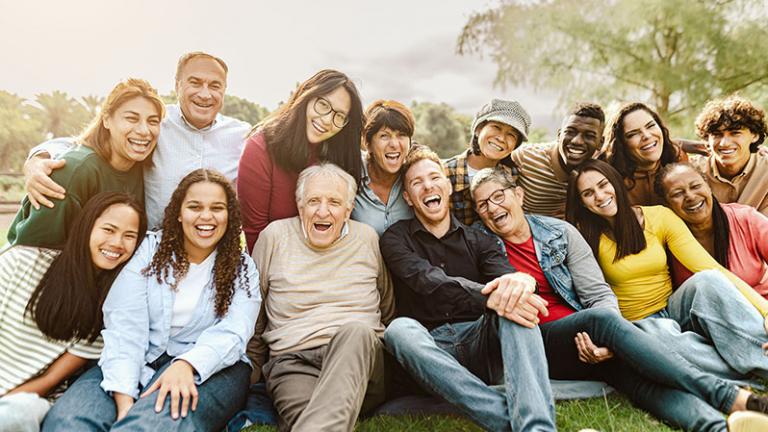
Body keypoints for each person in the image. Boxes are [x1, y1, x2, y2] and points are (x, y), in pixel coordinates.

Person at [471, 165, 768, 431]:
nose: (492, 207)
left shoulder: (560, 233)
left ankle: (718, 427)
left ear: (518, 195)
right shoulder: (480, 245)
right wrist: (606, 331)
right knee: (603, 321)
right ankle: (729, 395)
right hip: (538, 342)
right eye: (482, 204)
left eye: (498, 196)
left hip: (589, 337)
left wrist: (604, 343)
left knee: (640, 383)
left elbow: (597, 293)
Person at [42, 169, 261, 431]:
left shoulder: (242, 268)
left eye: (217, 208)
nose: (206, 216)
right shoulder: (148, 251)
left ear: (229, 215)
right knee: (68, 422)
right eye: (195, 206)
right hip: (137, 356)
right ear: (179, 213)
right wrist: (123, 400)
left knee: (151, 425)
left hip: (212, 367)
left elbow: (235, 332)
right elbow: (125, 324)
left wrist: (186, 364)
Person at [381, 146, 557, 431]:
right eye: (417, 183)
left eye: (434, 178)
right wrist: (489, 298)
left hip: (479, 343)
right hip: (430, 351)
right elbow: (426, 280)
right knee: (398, 330)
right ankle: (506, 416)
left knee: (514, 305)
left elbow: (507, 279)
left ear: (448, 187)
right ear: (408, 199)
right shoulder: (394, 238)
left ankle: (537, 427)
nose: (428, 186)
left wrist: (522, 283)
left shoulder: (481, 240)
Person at [566, 159, 768, 380]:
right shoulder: (582, 236)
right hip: (638, 324)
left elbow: (710, 267)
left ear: (615, 182)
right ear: (582, 203)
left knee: (708, 279)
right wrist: (614, 340)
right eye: (588, 193)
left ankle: (762, 359)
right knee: (665, 339)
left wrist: (766, 311)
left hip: (674, 308)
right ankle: (741, 377)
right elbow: (588, 296)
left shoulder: (659, 216)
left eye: (604, 184)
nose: (600, 195)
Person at [23, 51, 250, 229]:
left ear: (224, 90)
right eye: (195, 82)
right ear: (178, 85)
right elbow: (86, 142)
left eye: (214, 85)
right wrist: (36, 160)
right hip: (150, 253)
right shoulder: (154, 123)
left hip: (213, 255)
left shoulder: (242, 136)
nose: (205, 93)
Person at [248, 163, 394, 431]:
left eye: (334, 202)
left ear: (348, 210)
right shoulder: (275, 237)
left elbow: (387, 306)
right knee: (310, 421)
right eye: (314, 201)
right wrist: (251, 372)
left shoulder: (367, 239)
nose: (323, 211)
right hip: (293, 362)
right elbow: (254, 312)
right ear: (300, 205)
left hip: (359, 359)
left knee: (357, 332)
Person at [0, 192, 146, 432]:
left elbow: (48, 381)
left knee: (12, 415)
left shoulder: (109, 307)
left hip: (26, 402)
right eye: (109, 230)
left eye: (129, 236)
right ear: (86, 227)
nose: (117, 242)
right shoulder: (22, 262)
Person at [8, 78, 163, 248]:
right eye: (131, 118)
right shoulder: (74, 171)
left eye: (153, 121)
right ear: (106, 120)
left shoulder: (147, 166)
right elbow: (33, 252)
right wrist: (36, 159)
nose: (144, 131)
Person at [238, 69, 364, 251]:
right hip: (278, 264)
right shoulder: (261, 148)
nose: (328, 120)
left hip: (333, 260)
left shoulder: (340, 155)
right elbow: (255, 235)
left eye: (339, 116)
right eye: (323, 105)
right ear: (306, 97)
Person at [656, 163, 768, 296]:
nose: (690, 196)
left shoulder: (745, 218)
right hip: (702, 314)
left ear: (708, 186)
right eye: (677, 193)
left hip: (760, 308)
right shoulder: (663, 239)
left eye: (696, 186)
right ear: (666, 204)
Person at [510, 102, 605, 219]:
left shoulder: (599, 173)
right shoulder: (525, 157)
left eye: (589, 135)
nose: (577, 141)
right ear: (559, 135)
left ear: (600, 143)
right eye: (570, 132)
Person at [445, 98, 530, 225]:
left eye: (511, 135)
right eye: (496, 127)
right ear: (478, 129)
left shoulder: (512, 174)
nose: (501, 138)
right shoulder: (445, 172)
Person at [690, 96, 768, 216]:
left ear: (755, 135)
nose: (724, 143)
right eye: (717, 134)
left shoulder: (765, 170)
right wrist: (682, 144)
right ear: (707, 138)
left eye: (735, 133)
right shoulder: (693, 171)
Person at [602, 102, 687, 206]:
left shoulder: (678, 159)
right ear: (621, 144)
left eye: (651, 126)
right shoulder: (609, 179)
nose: (646, 136)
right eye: (633, 134)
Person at [350, 100, 415, 235]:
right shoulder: (351, 171)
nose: (394, 144)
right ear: (368, 144)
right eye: (384, 136)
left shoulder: (415, 174)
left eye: (401, 135)